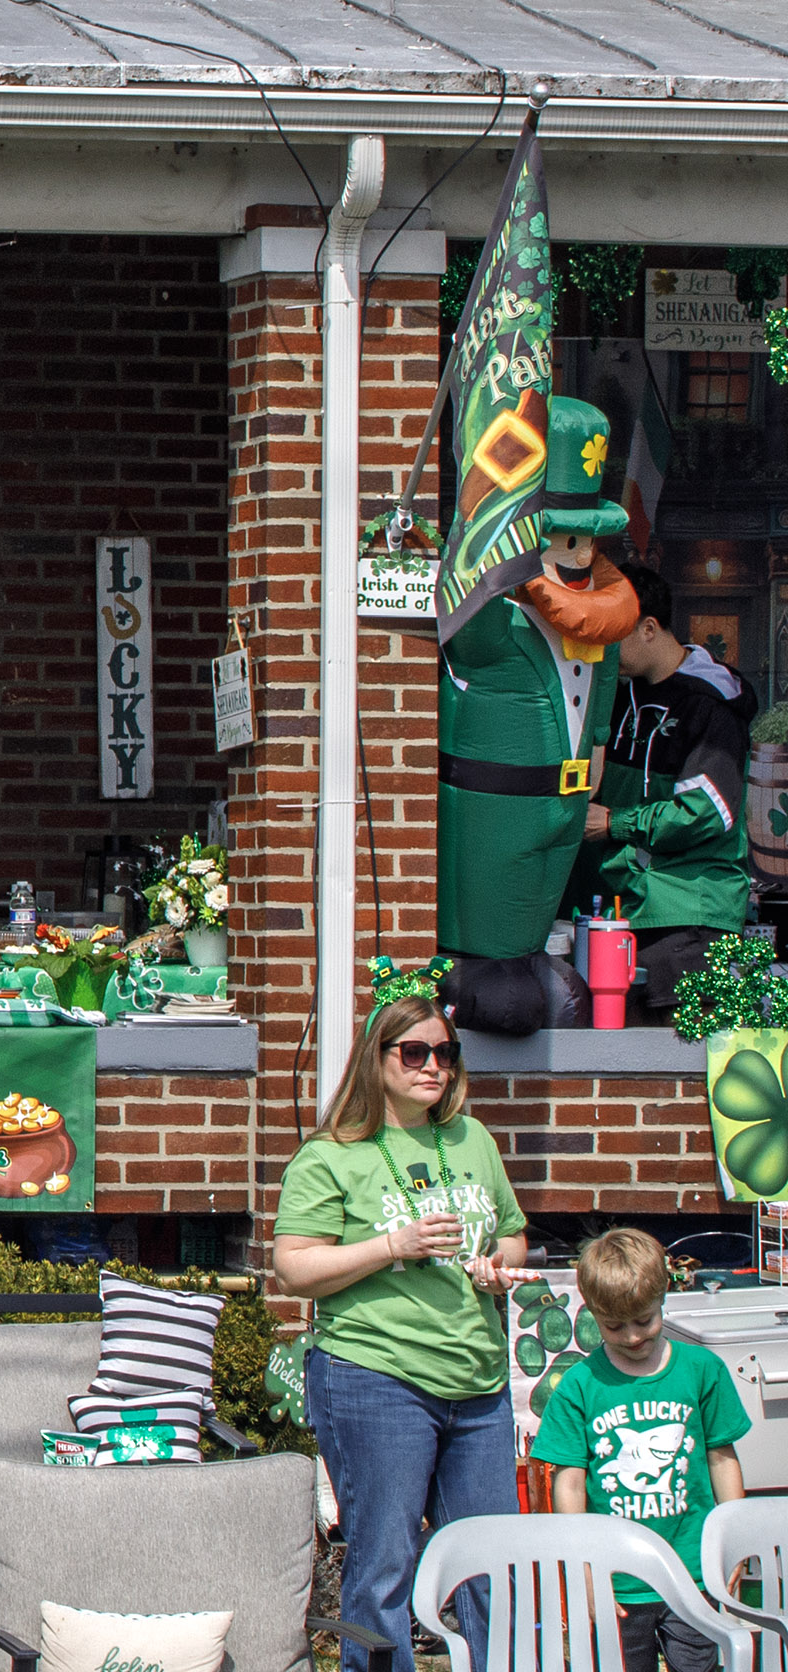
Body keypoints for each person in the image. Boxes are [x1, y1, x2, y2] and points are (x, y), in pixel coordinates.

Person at [273, 980, 528, 1672]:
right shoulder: (332, 1155)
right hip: (375, 1375)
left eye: (445, 1053)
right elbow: (294, 1268)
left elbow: (511, 1234)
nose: (432, 1066)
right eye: (414, 1053)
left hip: (477, 1381)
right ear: (376, 1058)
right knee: (386, 1562)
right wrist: (393, 1246)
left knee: (492, 1564)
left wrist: (496, 1267)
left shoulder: (472, 1138)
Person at [438, 396, 639, 1034]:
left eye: (585, 541)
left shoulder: (600, 624)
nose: (577, 557)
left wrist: (598, 748)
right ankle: (480, 965)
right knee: (495, 921)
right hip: (497, 801)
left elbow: (599, 703)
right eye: (563, 539)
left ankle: (524, 957)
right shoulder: (498, 613)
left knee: (536, 911)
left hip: (568, 803)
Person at [532, 1227, 746, 1672]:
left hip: (693, 1573)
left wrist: (736, 1544)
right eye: (614, 1326)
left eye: (644, 1321)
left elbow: (722, 1460)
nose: (632, 1336)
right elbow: (568, 1486)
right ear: (591, 1313)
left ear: (663, 1297)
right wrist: (583, 1573)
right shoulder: (579, 1385)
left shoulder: (702, 1370)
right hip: (617, 1581)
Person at [584, 562, 759, 1018]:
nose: (603, 649)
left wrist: (615, 823)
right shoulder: (615, 696)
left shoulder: (712, 706)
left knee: (682, 1050)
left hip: (691, 916)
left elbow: (707, 811)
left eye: (612, 635)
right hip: (623, 910)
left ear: (648, 628)